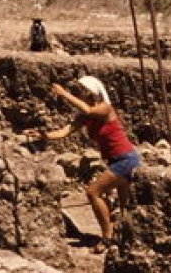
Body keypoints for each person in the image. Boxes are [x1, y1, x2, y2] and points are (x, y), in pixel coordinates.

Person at [26, 76, 140, 254]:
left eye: (81, 92)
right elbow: (65, 131)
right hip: (116, 160)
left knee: (93, 192)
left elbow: (87, 108)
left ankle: (107, 238)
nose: (79, 94)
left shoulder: (104, 109)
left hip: (126, 158)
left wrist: (64, 94)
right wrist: (43, 135)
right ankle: (122, 238)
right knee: (124, 204)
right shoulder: (85, 117)